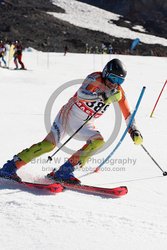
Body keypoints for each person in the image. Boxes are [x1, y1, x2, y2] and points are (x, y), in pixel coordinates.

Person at [0, 59, 143, 184]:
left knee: (98, 141)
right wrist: (103, 96)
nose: (115, 84)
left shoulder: (118, 92)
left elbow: (128, 114)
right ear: (106, 73)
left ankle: (64, 172)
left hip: (84, 124)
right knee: (48, 146)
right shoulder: (95, 78)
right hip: (67, 116)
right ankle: (10, 167)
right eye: (113, 79)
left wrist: (134, 130)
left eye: (120, 81)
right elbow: (82, 94)